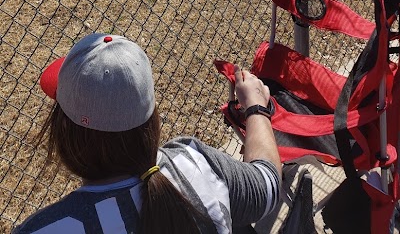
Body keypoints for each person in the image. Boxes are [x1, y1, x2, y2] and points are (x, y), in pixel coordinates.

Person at [13, 33, 281, 234]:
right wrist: (256, 108)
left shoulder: (46, 229)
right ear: (151, 118)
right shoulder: (198, 166)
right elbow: (267, 184)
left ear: (65, 132)